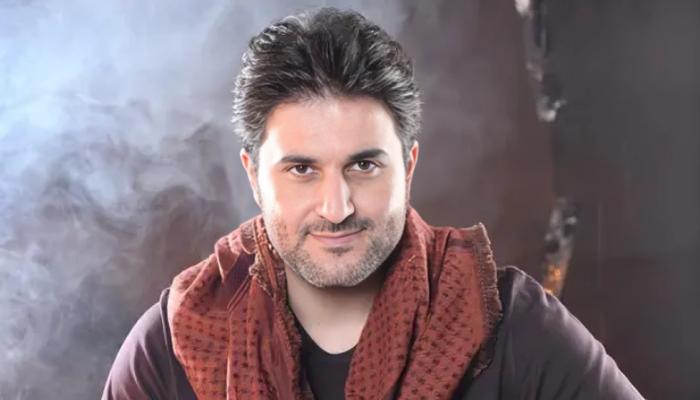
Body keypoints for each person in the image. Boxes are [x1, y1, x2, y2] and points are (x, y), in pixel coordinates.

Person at [102, 7, 643, 400]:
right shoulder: (175, 343)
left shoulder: (511, 326)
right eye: (301, 169)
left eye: (363, 165)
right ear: (254, 176)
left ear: (408, 166)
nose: (336, 207)